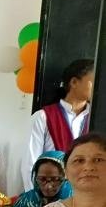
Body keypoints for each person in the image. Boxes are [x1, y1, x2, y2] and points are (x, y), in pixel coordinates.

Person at [23, 59, 94, 191]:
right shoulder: (43, 117)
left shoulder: (96, 118)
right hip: (50, 193)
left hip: (87, 194)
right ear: (74, 82)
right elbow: (30, 164)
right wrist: (37, 197)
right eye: (93, 81)